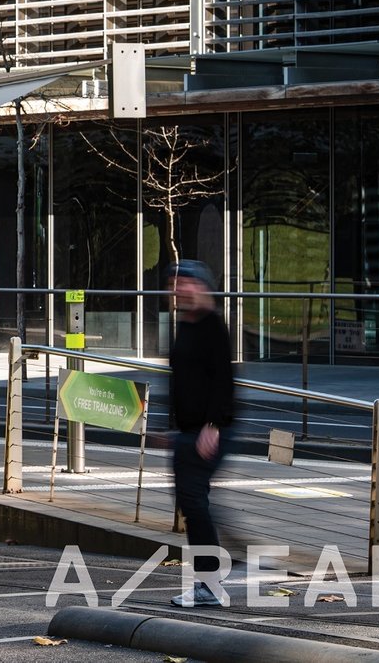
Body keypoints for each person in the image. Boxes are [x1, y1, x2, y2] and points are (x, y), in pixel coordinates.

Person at [167, 258, 235, 608]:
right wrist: (169, 426)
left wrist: (213, 426)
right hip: (187, 430)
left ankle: (210, 582)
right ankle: (218, 567)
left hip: (207, 431)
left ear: (201, 287)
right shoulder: (185, 325)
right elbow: (178, 379)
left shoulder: (212, 327)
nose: (178, 289)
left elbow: (223, 381)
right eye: (175, 284)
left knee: (193, 499)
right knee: (191, 501)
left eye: (185, 283)